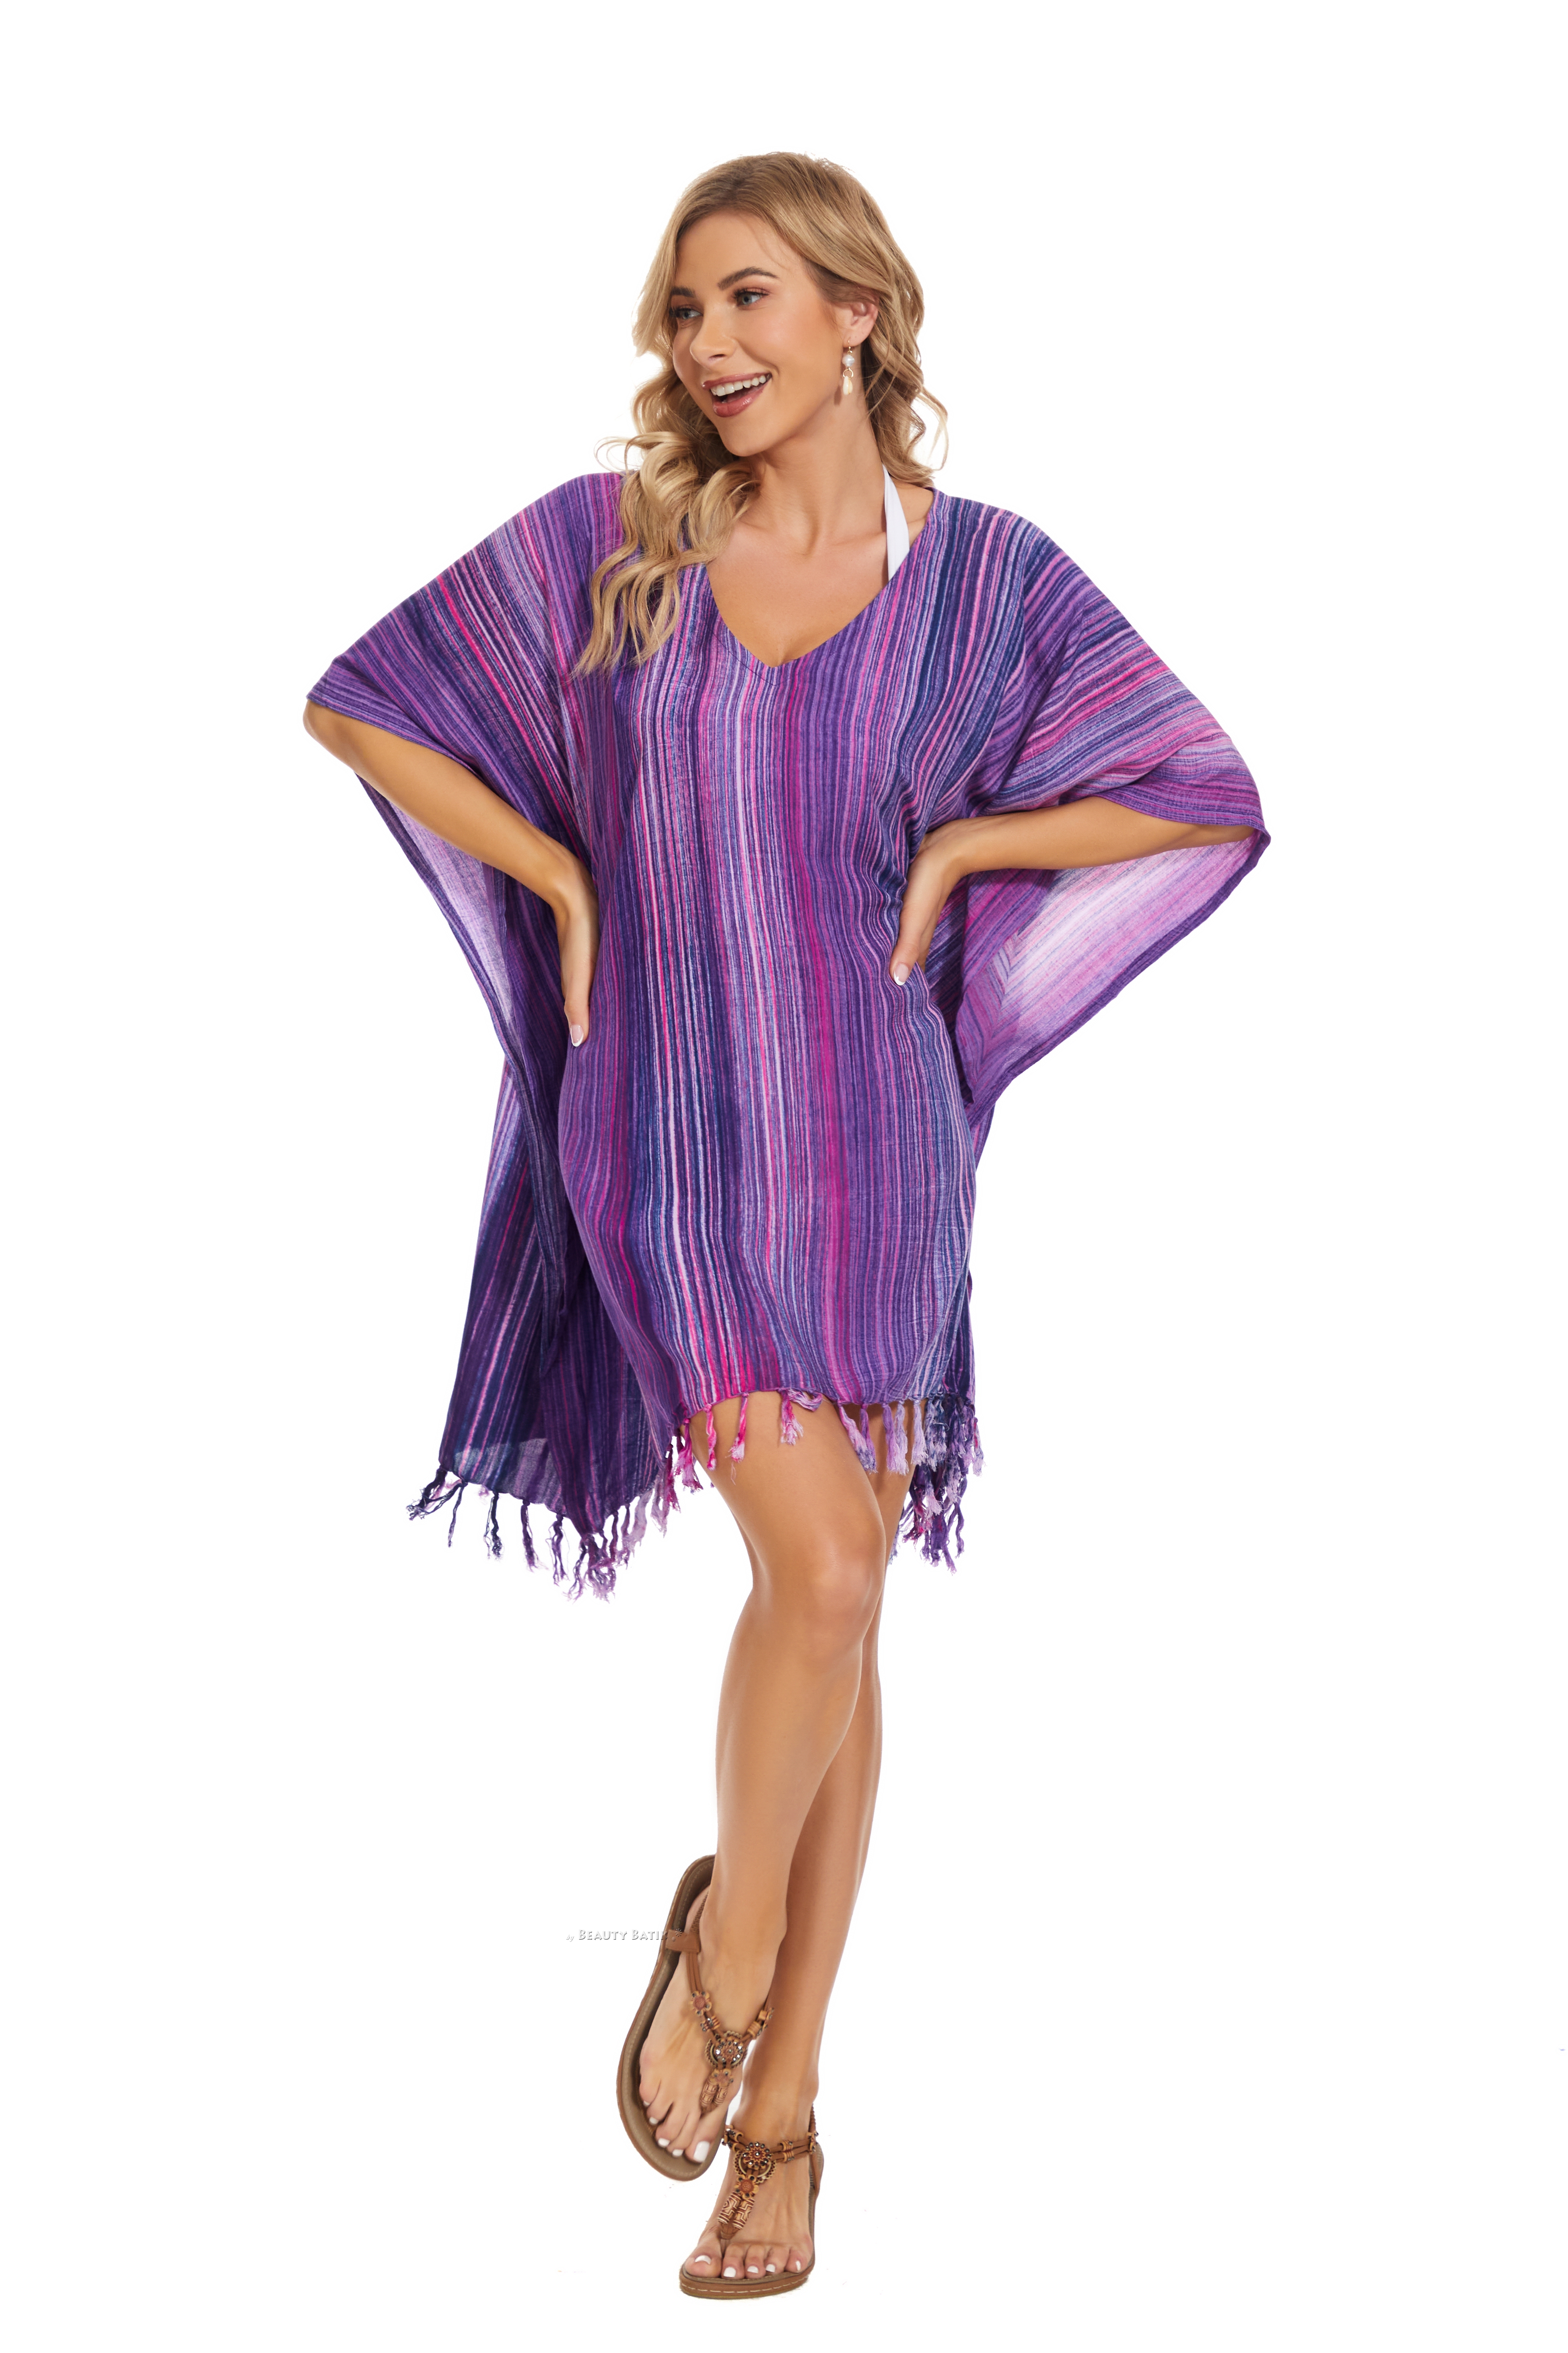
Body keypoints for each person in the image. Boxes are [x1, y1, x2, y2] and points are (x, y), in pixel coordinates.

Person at [303, 150, 1267, 2298]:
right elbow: (361, 699)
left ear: (857, 311)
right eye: (684, 308)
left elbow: (1199, 788)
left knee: (842, 1619)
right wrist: (561, 878)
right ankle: (727, 1961)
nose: (709, 342)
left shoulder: (989, 586)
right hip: (662, 1131)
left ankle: (785, 2127)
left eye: (748, 295)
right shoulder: (616, 551)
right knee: (821, 1571)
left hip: (879, 1144)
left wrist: (974, 852)